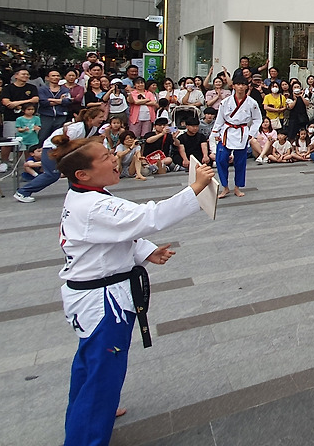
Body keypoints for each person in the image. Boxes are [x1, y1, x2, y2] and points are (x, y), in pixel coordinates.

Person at [56, 133, 215, 446]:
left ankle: (94, 409)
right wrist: (195, 188)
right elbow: (147, 218)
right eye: (105, 157)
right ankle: (88, 430)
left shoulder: (87, 197)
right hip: (102, 302)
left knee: (90, 364)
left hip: (92, 296)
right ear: (83, 174)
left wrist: (145, 251)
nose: (114, 158)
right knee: (102, 373)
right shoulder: (93, 205)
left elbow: (116, 233)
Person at [12, 104, 109, 203]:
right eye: (100, 117)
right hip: (52, 148)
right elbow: (65, 144)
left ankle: (75, 193)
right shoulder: (76, 128)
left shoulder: (93, 129)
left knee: (74, 171)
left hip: (64, 150)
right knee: (52, 175)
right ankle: (22, 192)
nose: (103, 119)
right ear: (90, 119)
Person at [212, 76, 263, 198]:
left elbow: (257, 119)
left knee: (240, 162)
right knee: (220, 159)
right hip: (227, 132)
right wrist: (215, 132)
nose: (240, 87)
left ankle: (237, 187)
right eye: (238, 84)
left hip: (242, 132)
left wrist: (251, 133)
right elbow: (220, 118)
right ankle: (225, 187)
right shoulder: (226, 102)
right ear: (233, 86)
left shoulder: (252, 102)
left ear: (247, 86)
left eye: (243, 84)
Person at [0, 68, 39, 165]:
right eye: (23, 74)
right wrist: (24, 103)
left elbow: (35, 99)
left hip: (29, 119)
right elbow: (6, 102)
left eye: (27, 74)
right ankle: (4, 162)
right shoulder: (8, 88)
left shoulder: (32, 87)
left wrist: (17, 103)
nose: (26, 76)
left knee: (28, 142)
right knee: (8, 141)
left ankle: (28, 163)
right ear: (16, 76)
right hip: (11, 118)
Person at [38, 70, 72, 138]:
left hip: (61, 116)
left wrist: (50, 99)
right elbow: (43, 102)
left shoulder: (65, 90)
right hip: (46, 116)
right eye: (53, 76)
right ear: (47, 78)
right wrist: (60, 100)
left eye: (57, 76)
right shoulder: (42, 89)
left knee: (58, 138)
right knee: (43, 136)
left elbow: (67, 102)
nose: (56, 77)